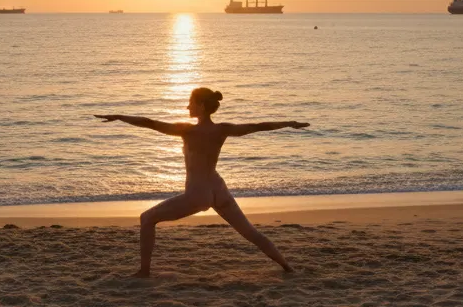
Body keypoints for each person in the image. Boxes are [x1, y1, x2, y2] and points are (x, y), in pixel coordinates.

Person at [95, 88, 309, 277]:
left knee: (146, 218)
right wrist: (288, 124)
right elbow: (256, 126)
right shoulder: (222, 129)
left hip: (198, 194)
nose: (187, 106)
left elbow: (149, 123)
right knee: (250, 233)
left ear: (201, 105)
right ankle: (287, 267)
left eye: (191, 102)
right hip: (218, 188)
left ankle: (144, 271)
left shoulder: (187, 130)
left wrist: (119, 116)